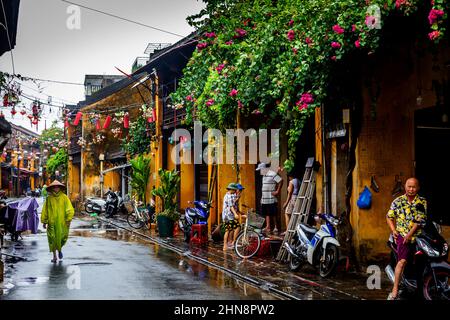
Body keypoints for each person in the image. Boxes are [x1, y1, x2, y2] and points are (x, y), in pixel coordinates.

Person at [386, 177, 427, 300]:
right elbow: (389, 216)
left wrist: (410, 234)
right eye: (409, 186)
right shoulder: (398, 201)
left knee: (422, 262)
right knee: (402, 261)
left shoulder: (422, 201)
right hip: (402, 236)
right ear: (405, 187)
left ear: (418, 188)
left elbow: (420, 219)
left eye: (414, 187)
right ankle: (395, 289)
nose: (411, 189)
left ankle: (420, 289)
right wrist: (393, 230)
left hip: (418, 236)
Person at [41, 180, 74, 263]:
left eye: (57, 187)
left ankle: (59, 250)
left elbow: (69, 209)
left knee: (61, 238)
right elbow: (45, 210)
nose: (56, 188)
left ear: (60, 188)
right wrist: (44, 221)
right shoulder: (49, 198)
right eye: (54, 187)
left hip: (62, 222)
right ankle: (54, 256)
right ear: (52, 188)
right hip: (51, 223)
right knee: (52, 239)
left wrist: (68, 219)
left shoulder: (64, 197)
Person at [256, 162, 283, 235]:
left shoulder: (272, 174)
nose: (260, 171)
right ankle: (268, 226)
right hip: (265, 198)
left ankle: (276, 227)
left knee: (274, 213)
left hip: (271, 198)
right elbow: (264, 187)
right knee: (266, 213)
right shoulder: (264, 176)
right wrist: (262, 197)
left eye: (260, 170)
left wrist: (277, 191)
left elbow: (280, 181)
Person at [222, 183, 241, 251]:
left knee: (229, 230)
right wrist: (235, 214)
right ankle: (226, 245)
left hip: (226, 216)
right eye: (234, 190)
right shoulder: (229, 196)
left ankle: (227, 245)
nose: (235, 191)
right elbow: (231, 206)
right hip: (228, 216)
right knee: (235, 227)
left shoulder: (226, 195)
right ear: (232, 189)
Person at [281, 171, 299, 236]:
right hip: (298, 198)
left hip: (293, 198)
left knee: (287, 213)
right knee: (295, 214)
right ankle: (295, 229)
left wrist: (286, 203)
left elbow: (290, 193)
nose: (288, 178)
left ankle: (287, 230)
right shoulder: (298, 181)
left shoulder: (291, 182)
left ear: (290, 176)